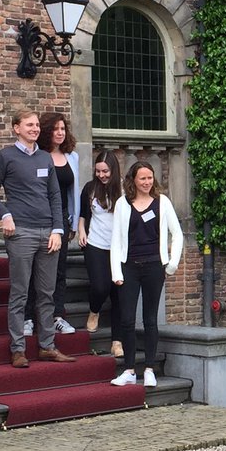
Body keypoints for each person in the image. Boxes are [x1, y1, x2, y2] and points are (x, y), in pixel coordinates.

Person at [0, 108, 76, 370]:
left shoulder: (45, 157)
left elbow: (55, 196)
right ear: (16, 128)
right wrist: (5, 214)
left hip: (48, 233)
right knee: (20, 293)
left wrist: (58, 230)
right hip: (20, 232)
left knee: (46, 294)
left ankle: (47, 346)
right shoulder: (4, 157)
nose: (35, 129)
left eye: (36, 125)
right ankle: (18, 350)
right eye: (29, 125)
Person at [108, 160, 183, 388]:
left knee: (150, 319)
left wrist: (171, 264)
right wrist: (116, 271)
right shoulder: (122, 203)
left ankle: (149, 369)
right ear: (133, 180)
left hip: (154, 267)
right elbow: (116, 239)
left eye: (150, 177)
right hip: (129, 266)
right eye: (142, 178)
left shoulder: (162, 202)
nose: (147, 182)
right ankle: (129, 370)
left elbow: (177, 234)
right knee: (127, 319)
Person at [23, 112, 79, 337]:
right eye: (55, 129)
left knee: (59, 270)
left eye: (63, 129)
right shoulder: (37, 155)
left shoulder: (71, 157)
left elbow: (73, 191)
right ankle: (28, 318)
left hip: (62, 218)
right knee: (34, 270)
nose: (60, 133)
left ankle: (57, 316)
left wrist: (73, 221)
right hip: (39, 218)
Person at [77, 150, 125, 359]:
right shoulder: (90, 188)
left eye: (105, 171)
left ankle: (117, 342)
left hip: (119, 247)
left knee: (119, 295)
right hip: (95, 243)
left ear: (113, 170)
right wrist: (81, 231)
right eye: (98, 171)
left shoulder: (125, 189)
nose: (101, 175)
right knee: (100, 286)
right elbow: (83, 214)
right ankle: (94, 310)